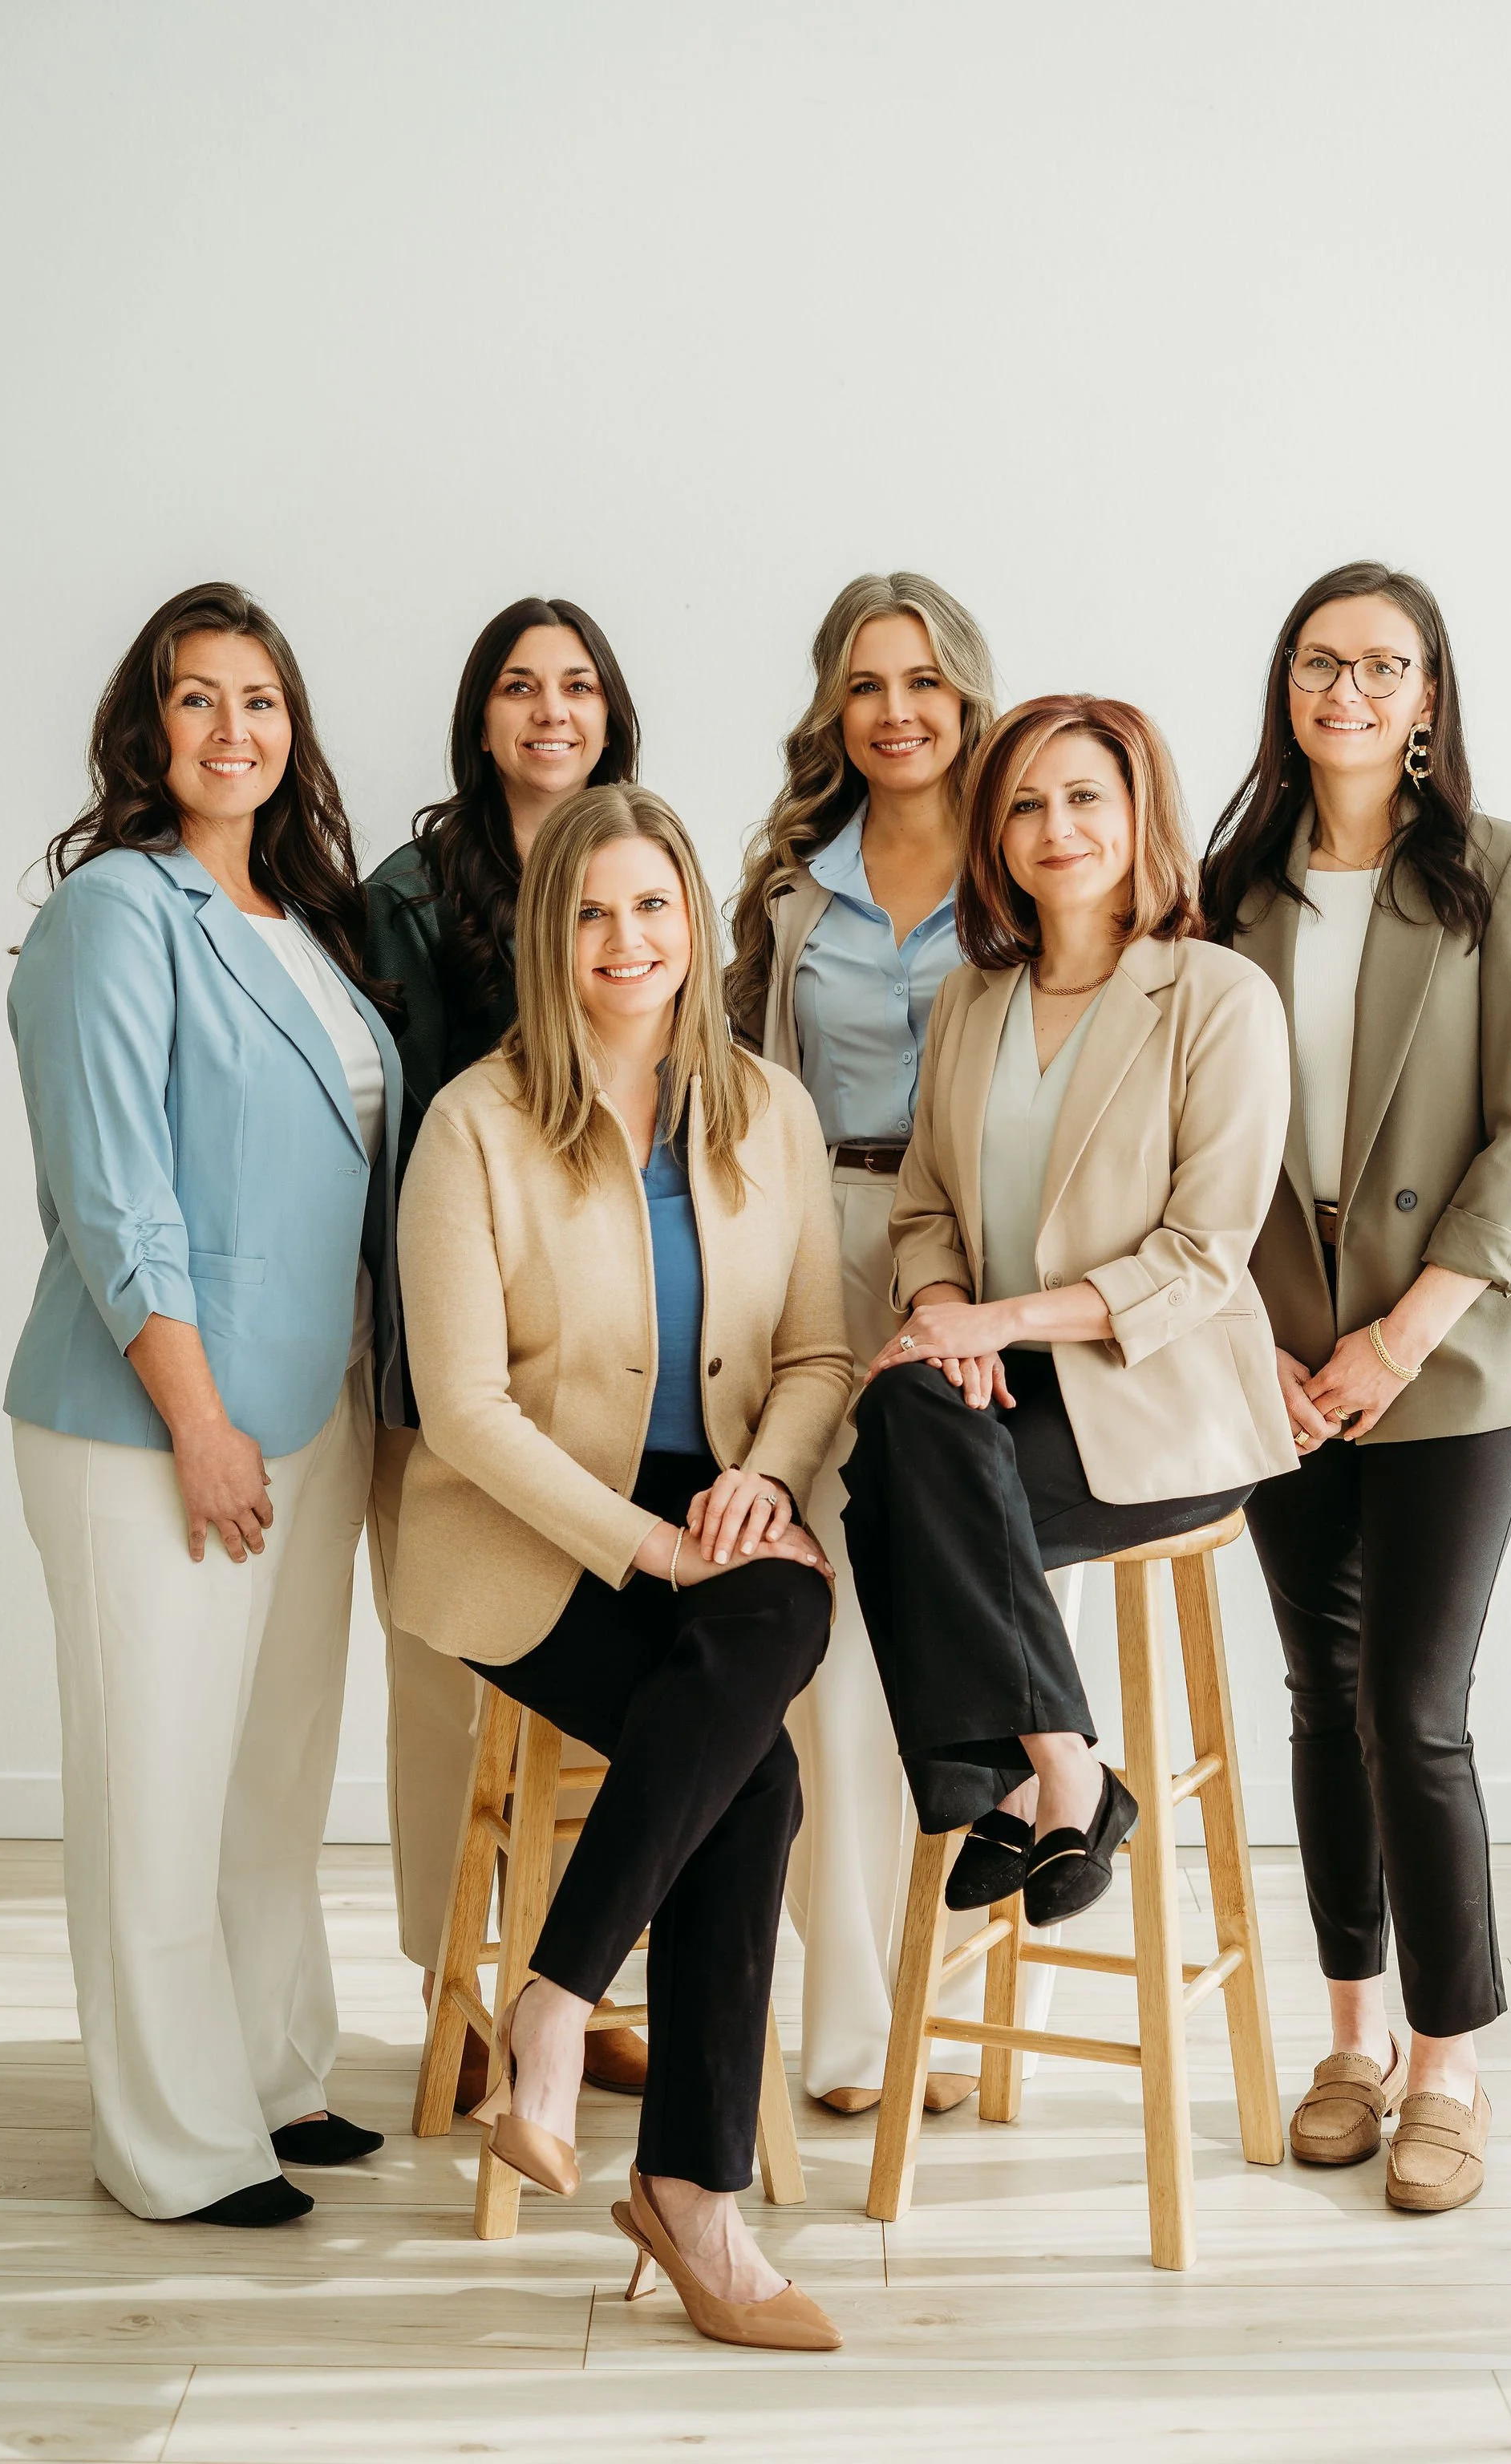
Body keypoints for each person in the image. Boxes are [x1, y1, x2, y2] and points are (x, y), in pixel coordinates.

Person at [394, 784, 849, 2351]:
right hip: (527, 1535)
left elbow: (818, 1349)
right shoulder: (476, 1124)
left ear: (693, 925)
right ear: (547, 934)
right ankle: (694, 2200)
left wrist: (760, 1484)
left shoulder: (768, 1112)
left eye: (652, 906)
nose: (625, 940)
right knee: (759, 1779)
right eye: (591, 911)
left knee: (783, 1604)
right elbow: (459, 1410)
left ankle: (551, 2006)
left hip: (718, 1510)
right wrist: (649, 1547)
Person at [6, 583, 399, 2226]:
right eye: (196, 699)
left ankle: (270, 2070)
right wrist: (197, 1413)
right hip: (160, 1416)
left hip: (313, 1407)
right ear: (144, 728)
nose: (233, 729)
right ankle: (170, 2142)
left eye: (260, 699)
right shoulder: (117, 911)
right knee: (157, 1777)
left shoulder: (298, 922)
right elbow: (115, 1192)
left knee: (271, 1768)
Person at [1205, 561, 1511, 2213]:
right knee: (1316, 1699)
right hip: (1277, 1363)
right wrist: (1258, 1348)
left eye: (1382, 666)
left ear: (1429, 699)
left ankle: (1449, 2065)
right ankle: (1347, 2042)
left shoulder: (1504, 875)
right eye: (1317, 662)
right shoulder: (1229, 888)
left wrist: (1393, 1341)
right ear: (1285, 689)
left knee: (1411, 1714)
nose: (1346, 690)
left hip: (1453, 1354)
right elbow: (1197, 1145)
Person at [842, 695, 1298, 1915]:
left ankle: (1007, 1782)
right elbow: (926, 1207)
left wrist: (999, 1323)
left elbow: (1205, 1255)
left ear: (1140, 813)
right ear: (994, 835)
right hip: (995, 1389)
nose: (1058, 827)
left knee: (902, 1476)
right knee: (897, 1420)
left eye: (1086, 796)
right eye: (1028, 804)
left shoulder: (1217, 998)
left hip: (1164, 1401)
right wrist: (946, 1312)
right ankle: (1064, 1774)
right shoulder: (971, 1005)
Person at [727, 570, 1013, 2114]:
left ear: (965, 692)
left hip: (979, 1272)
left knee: (959, 1637)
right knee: (819, 1647)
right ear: (834, 707)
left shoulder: (1033, 854)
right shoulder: (789, 886)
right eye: (865, 684)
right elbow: (747, 1100)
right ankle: (851, 2035)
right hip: (817, 1255)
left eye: (921, 681)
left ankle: (947, 1999)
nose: (896, 711)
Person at [363, 597, 648, 2097]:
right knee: (444, 1675)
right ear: (480, 718)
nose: (552, 710)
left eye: (579, 686)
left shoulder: (644, 876)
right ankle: (448, 1994)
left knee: (600, 1694)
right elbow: (403, 1133)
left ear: (611, 713)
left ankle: (579, 1988)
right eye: (521, 688)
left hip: (606, 1358)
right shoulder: (410, 896)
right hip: (455, 1357)